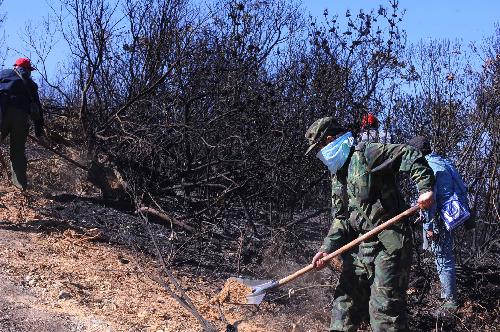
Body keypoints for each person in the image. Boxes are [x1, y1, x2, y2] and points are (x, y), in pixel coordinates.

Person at [304, 117, 435, 332]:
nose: (320, 155)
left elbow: (409, 154)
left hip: (389, 244)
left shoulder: (367, 153)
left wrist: (425, 188)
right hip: (360, 247)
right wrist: (326, 249)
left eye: (319, 148)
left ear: (329, 140)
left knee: (384, 311)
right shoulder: (337, 174)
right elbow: (342, 219)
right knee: (344, 304)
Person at [407, 136, 471, 311]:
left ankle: (450, 301)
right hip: (450, 215)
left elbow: (431, 200)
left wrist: (430, 226)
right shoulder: (442, 161)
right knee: (445, 255)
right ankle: (447, 295)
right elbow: (461, 188)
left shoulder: (427, 168)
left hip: (438, 219)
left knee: (443, 258)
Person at [0, 58, 44, 190]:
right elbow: (37, 108)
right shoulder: (30, 84)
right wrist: (39, 132)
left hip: (2, 113)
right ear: (27, 70)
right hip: (21, 117)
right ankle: (19, 187)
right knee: (17, 152)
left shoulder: (3, 74)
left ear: (16, 67)